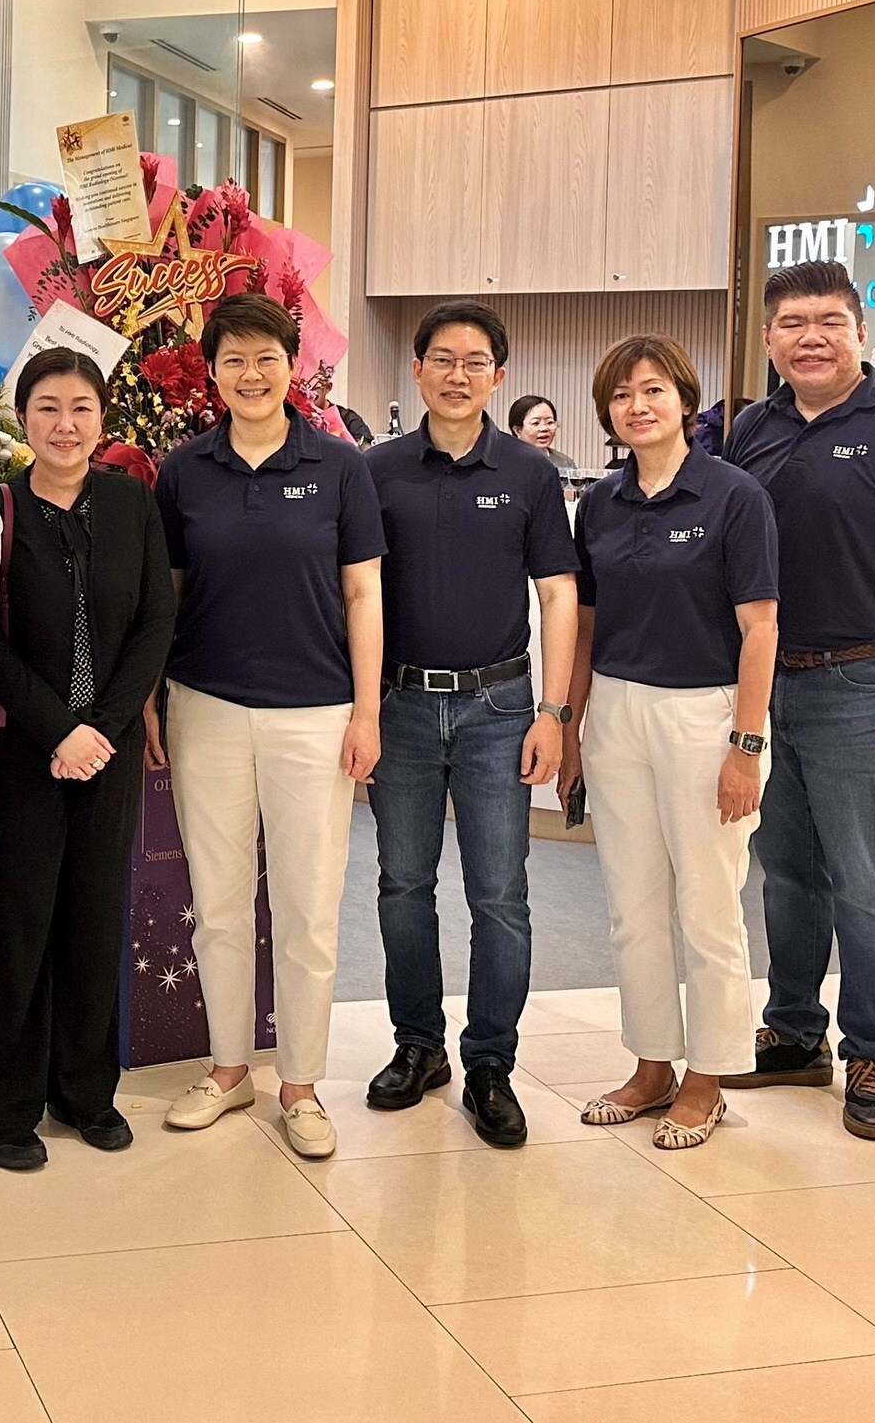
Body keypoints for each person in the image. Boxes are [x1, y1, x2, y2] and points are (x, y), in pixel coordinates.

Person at [723, 259, 875, 1140]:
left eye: (830, 319)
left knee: (865, 879)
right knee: (786, 871)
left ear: (859, 331)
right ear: (768, 338)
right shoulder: (751, 428)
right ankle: (794, 1030)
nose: (811, 337)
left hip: (865, 683)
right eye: (792, 322)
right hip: (766, 685)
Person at [154, 291, 385, 1162]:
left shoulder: (338, 465)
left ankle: (300, 1082)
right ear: (211, 372)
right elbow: (166, 596)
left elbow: (363, 592)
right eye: (233, 360)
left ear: (295, 365)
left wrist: (367, 710)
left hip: (317, 710)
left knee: (307, 904)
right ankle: (226, 1069)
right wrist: (153, 699)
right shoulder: (185, 470)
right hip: (205, 703)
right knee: (215, 902)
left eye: (267, 358)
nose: (251, 375)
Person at [362, 301, 579, 1146]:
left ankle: (490, 1060)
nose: (458, 373)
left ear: (498, 375)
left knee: (501, 896)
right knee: (402, 888)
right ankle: (418, 1046)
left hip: (500, 707)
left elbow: (559, 594)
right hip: (401, 704)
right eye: (442, 358)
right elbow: (354, 592)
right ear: (416, 370)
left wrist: (555, 712)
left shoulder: (529, 472)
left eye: (476, 360)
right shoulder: (374, 471)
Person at [0, 348, 176, 1170]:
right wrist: (59, 730)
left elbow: (156, 618)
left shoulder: (130, 503)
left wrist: (108, 728)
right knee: (17, 922)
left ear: (103, 417)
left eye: (81, 407)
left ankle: (84, 1090)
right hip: (26, 747)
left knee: (94, 918)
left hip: (109, 749)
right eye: (47, 407)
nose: (66, 424)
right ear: (23, 417)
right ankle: (0, 1106)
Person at [562, 335, 778, 1151]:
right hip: (618, 708)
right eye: (621, 395)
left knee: (708, 905)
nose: (638, 405)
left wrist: (745, 745)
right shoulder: (602, 504)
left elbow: (760, 628)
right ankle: (651, 1063)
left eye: (653, 389)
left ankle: (709, 1075)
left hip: (707, 712)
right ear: (608, 414)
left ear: (685, 401)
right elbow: (584, 623)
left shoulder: (734, 496)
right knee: (633, 906)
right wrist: (574, 724)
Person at [508, 394, 579, 475]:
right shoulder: (506, 461)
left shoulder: (564, 463)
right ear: (518, 430)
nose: (544, 428)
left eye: (550, 422)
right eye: (535, 423)